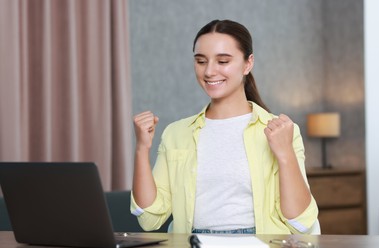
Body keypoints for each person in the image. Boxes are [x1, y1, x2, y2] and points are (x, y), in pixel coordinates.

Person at [131, 19, 318, 234]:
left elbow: (301, 222)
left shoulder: (281, 131)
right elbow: (149, 219)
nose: (209, 71)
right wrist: (142, 149)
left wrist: (285, 155)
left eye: (223, 61)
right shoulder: (176, 133)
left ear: (248, 63)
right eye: (201, 61)